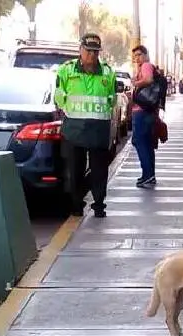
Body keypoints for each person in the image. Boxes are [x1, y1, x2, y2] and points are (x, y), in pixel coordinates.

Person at [55, 33, 117, 218]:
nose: (92, 55)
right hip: (74, 128)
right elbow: (58, 94)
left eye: (95, 52)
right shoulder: (66, 70)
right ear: (80, 50)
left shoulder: (107, 72)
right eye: (88, 50)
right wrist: (67, 109)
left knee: (99, 171)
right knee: (75, 170)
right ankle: (76, 205)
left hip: (98, 129)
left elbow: (112, 98)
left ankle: (99, 205)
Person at [131, 45, 158, 188]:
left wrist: (136, 83)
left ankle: (147, 174)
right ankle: (149, 174)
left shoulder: (146, 65)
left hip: (142, 111)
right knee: (146, 143)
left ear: (146, 55)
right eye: (135, 56)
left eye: (139, 55)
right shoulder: (142, 66)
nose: (137, 58)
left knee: (139, 141)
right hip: (145, 111)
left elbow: (148, 80)